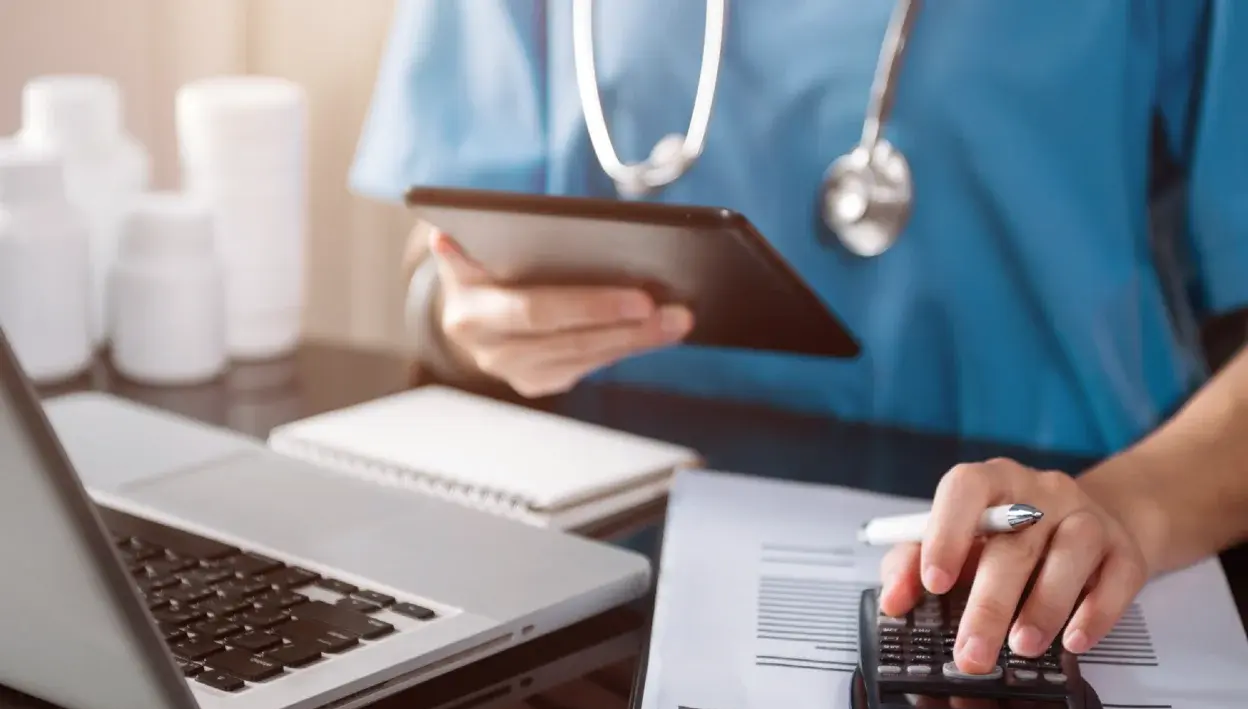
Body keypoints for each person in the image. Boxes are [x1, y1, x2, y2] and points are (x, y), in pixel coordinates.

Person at [350, 1, 1248, 674]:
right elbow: (445, 255)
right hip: (589, 600)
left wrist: (1127, 508)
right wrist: (465, 320)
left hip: (1020, 574)